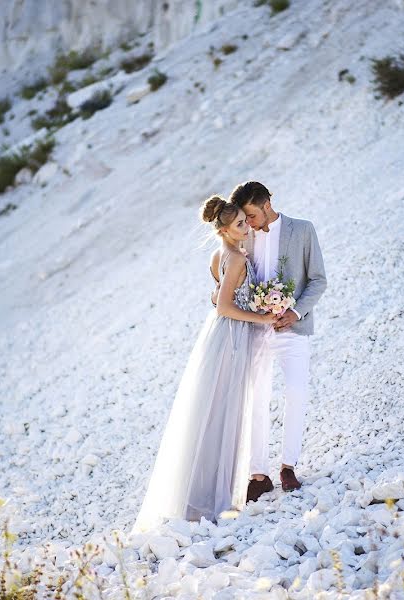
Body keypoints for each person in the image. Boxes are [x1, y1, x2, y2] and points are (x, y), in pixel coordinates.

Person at [133, 196, 278, 532]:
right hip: (231, 337)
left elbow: (216, 292)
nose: (247, 228)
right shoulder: (236, 258)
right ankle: (214, 498)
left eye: (246, 221)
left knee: (211, 412)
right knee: (224, 412)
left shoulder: (219, 256)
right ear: (225, 230)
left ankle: (203, 492)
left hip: (218, 337)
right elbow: (224, 306)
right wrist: (261, 317)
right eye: (241, 224)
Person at [229, 181, 327, 502]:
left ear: (268, 203)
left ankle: (288, 466)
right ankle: (259, 474)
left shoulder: (302, 230)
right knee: (256, 399)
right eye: (246, 219)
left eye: (253, 216)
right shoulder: (245, 236)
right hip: (257, 330)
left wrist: (296, 312)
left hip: (293, 328)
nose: (251, 224)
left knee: (295, 392)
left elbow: (318, 280)